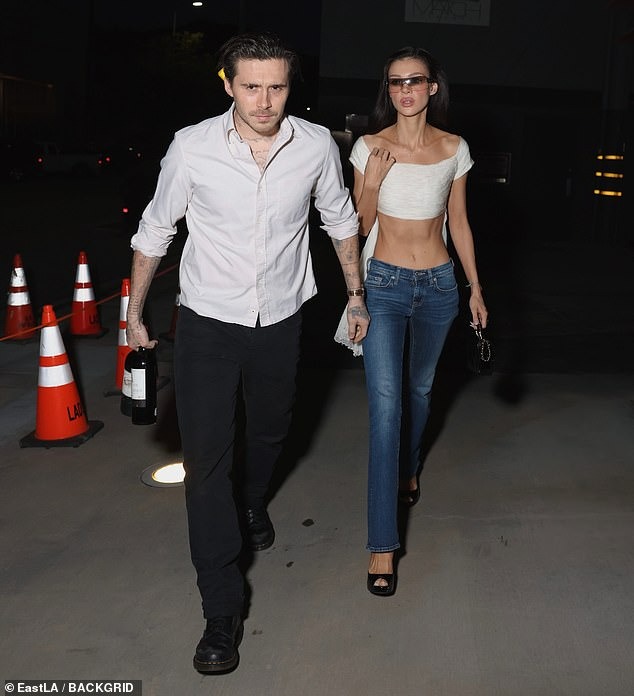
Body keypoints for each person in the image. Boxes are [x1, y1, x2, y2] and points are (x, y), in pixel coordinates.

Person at [126, 32, 369, 673]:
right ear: (228, 84)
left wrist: (356, 297)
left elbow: (340, 220)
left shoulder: (315, 146)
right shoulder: (192, 146)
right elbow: (156, 228)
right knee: (207, 464)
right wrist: (133, 314)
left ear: (291, 87)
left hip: (282, 319)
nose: (264, 101)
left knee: (270, 430)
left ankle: (255, 497)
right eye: (251, 86)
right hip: (207, 322)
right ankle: (222, 610)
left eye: (277, 87)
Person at [347, 46, 488, 596]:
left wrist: (475, 288)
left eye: (415, 80)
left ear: (432, 87)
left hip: (439, 287)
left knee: (421, 391)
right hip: (383, 286)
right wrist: (373, 181)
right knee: (386, 408)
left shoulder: (454, 148)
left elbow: (460, 222)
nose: (405, 89)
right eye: (395, 81)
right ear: (388, 89)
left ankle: (409, 466)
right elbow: (357, 227)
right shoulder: (369, 147)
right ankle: (383, 545)